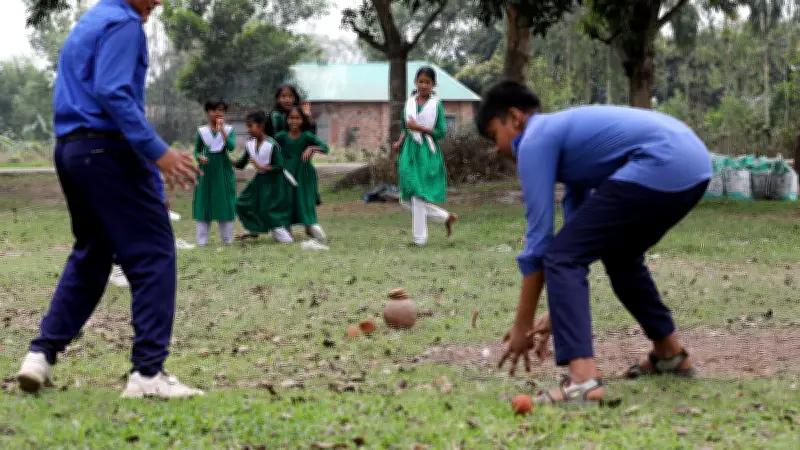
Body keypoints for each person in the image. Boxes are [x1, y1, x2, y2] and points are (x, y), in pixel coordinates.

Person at [476, 80, 712, 406]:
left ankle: (582, 381)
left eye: (494, 135)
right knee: (620, 255)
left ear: (514, 118)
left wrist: (522, 326)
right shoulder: (568, 144)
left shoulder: (534, 139)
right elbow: (580, 238)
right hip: (694, 165)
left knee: (560, 256)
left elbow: (543, 245)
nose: (498, 148)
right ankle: (670, 354)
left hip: (661, 161)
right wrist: (558, 311)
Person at [16, 0, 204, 399]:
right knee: (154, 253)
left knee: (93, 254)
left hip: (72, 150)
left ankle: (40, 355)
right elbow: (113, 92)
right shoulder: (124, 24)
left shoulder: (90, 22)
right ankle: (148, 374)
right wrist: (158, 152)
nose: (157, 3)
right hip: (108, 151)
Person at [392, 66, 457, 246]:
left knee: (418, 196)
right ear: (415, 82)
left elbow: (441, 132)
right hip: (409, 152)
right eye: (421, 81)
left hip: (426, 153)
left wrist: (419, 128)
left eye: (427, 82)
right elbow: (406, 127)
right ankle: (446, 217)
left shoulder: (436, 105)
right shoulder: (410, 102)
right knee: (405, 199)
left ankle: (419, 240)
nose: (423, 85)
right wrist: (400, 141)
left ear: (433, 85)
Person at [233, 111, 294, 243]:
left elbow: (279, 166)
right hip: (259, 181)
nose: (248, 129)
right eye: (247, 126)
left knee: (268, 210)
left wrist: (262, 167)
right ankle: (254, 229)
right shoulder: (250, 144)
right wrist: (226, 160)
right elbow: (240, 164)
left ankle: (286, 238)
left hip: (274, 182)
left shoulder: (271, 144)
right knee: (241, 203)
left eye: (251, 126)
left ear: (261, 126)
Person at [273, 106, 328, 242]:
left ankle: (310, 226)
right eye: (291, 118)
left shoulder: (307, 136)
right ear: (286, 120)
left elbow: (325, 148)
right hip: (287, 175)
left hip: (304, 174)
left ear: (302, 121)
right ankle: (285, 229)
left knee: (305, 200)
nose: (294, 121)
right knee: (287, 200)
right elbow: (270, 148)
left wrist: (311, 148)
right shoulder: (281, 136)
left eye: (297, 118)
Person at [193, 96, 237, 246]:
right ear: (208, 112)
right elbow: (196, 151)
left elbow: (231, 147)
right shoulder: (202, 131)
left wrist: (222, 130)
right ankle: (202, 241)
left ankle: (227, 239)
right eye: (214, 110)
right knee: (204, 202)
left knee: (225, 202)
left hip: (223, 171)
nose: (218, 113)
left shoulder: (229, 130)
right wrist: (199, 157)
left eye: (221, 110)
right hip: (206, 172)